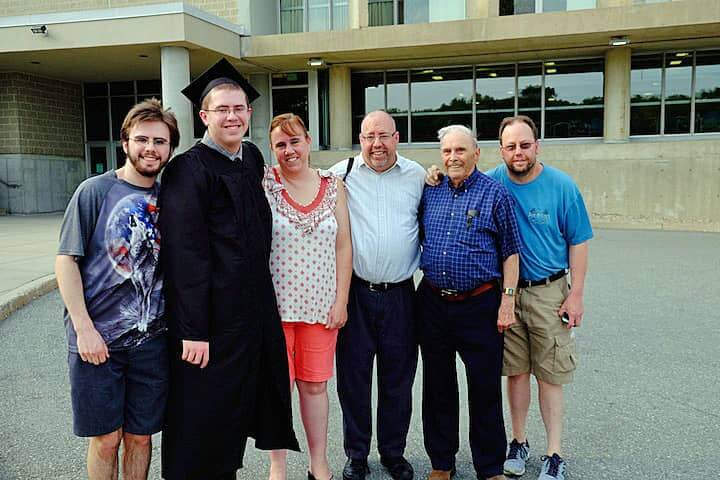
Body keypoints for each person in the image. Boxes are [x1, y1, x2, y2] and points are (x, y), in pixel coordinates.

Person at [159, 58, 299, 480]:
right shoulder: (189, 169)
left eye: (239, 108)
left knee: (245, 405)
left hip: (253, 313)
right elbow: (185, 256)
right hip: (213, 322)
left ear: (249, 113)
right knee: (206, 417)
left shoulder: (251, 158)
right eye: (222, 109)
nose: (232, 116)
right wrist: (193, 330)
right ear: (204, 115)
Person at [56, 98, 178, 480]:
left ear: (170, 147)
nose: (151, 149)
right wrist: (84, 328)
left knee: (140, 438)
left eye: (160, 141)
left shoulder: (172, 197)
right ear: (125, 142)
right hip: (98, 342)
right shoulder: (94, 191)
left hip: (151, 341)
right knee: (107, 438)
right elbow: (66, 261)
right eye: (142, 139)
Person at [488, 116, 592, 480]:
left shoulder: (562, 186)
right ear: (501, 150)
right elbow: (457, 178)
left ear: (537, 145)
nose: (518, 152)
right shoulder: (492, 182)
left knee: (549, 376)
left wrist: (575, 295)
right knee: (515, 373)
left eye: (525, 145)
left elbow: (578, 241)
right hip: (509, 295)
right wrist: (433, 173)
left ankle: (554, 453)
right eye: (511, 146)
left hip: (550, 292)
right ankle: (518, 442)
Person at [417, 125, 520, 480]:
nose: (452, 158)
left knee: (484, 388)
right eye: (447, 152)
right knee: (437, 386)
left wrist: (507, 301)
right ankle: (441, 463)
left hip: (480, 305)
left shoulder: (495, 195)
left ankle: (489, 467)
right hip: (432, 303)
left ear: (477, 153)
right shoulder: (431, 191)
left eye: (460, 150)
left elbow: (510, 252)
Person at [329, 110, 426, 480]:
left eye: (384, 136)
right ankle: (356, 454)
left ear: (397, 138)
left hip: (402, 295)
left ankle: (393, 453)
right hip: (356, 292)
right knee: (353, 380)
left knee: (398, 380)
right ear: (360, 138)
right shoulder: (342, 173)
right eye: (369, 137)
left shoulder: (417, 176)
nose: (376, 145)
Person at [264, 113, 352, 480]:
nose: (290, 150)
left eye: (295, 141)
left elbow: (344, 245)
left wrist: (341, 300)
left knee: (315, 386)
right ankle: (278, 467)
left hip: (321, 307)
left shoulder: (333, 185)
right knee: (278, 390)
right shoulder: (265, 184)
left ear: (308, 140)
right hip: (274, 309)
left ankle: (319, 462)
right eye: (281, 145)